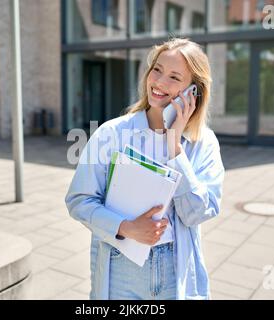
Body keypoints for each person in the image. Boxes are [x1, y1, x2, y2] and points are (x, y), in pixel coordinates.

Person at [65, 38, 225, 300]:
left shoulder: (203, 143)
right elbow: (79, 201)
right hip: (121, 267)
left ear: (193, 92)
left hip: (176, 267)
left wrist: (175, 147)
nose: (160, 82)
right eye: (157, 69)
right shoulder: (111, 133)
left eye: (174, 77)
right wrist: (127, 227)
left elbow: (197, 212)